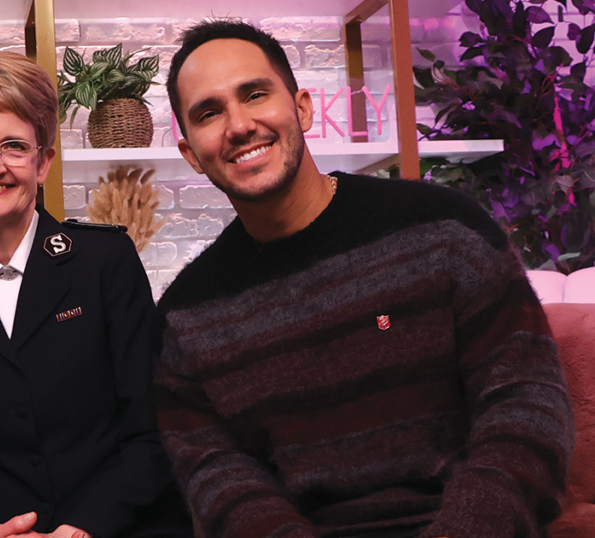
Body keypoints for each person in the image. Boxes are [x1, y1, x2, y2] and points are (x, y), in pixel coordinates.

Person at [153, 19, 575, 538]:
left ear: (302, 107)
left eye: (255, 94)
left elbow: (525, 404)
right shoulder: (184, 319)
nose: (238, 125)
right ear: (192, 153)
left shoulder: (442, 229)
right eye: (209, 113)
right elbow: (222, 483)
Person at [0, 51, 192, 538]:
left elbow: (152, 429)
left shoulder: (105, 263)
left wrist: (84, 528)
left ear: (43, 161)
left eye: (13, 146)